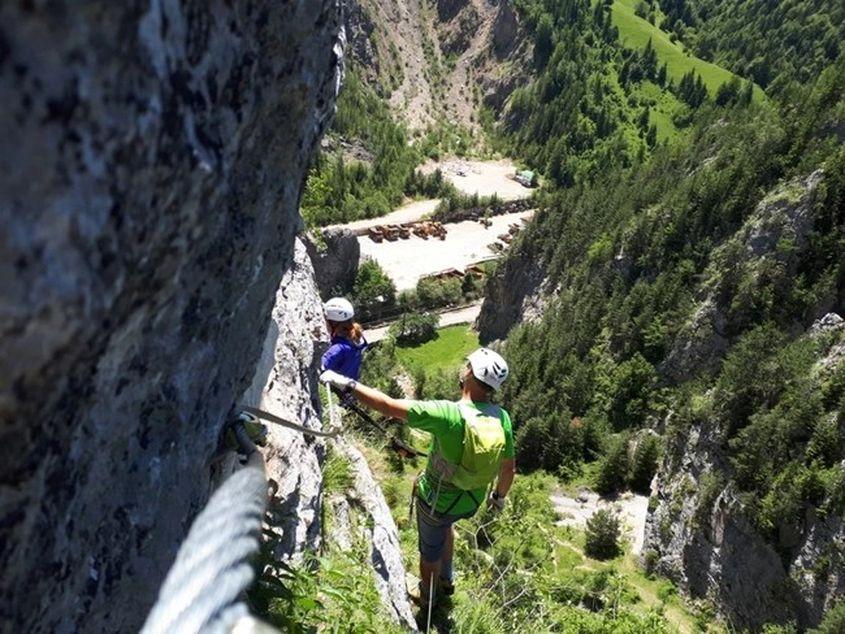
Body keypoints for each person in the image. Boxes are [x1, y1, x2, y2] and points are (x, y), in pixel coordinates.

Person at [320, 347, 516, 609]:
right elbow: (508, 469)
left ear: (470, 374)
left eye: (467, 365)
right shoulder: (501, 418)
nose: (464, 367)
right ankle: (447, 580)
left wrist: (346, 383)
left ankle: (428, 597)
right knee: (448, 526)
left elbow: (388, 405)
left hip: (436, 502)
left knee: (429, 554)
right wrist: (499, 498)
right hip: (472, 499)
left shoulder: (448, 414)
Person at [321, 297, 367, 380]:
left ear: (334, 323)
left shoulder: (338, 349)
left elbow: (319, 368)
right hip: (351, 385)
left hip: (339, 389)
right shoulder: (357, 339)